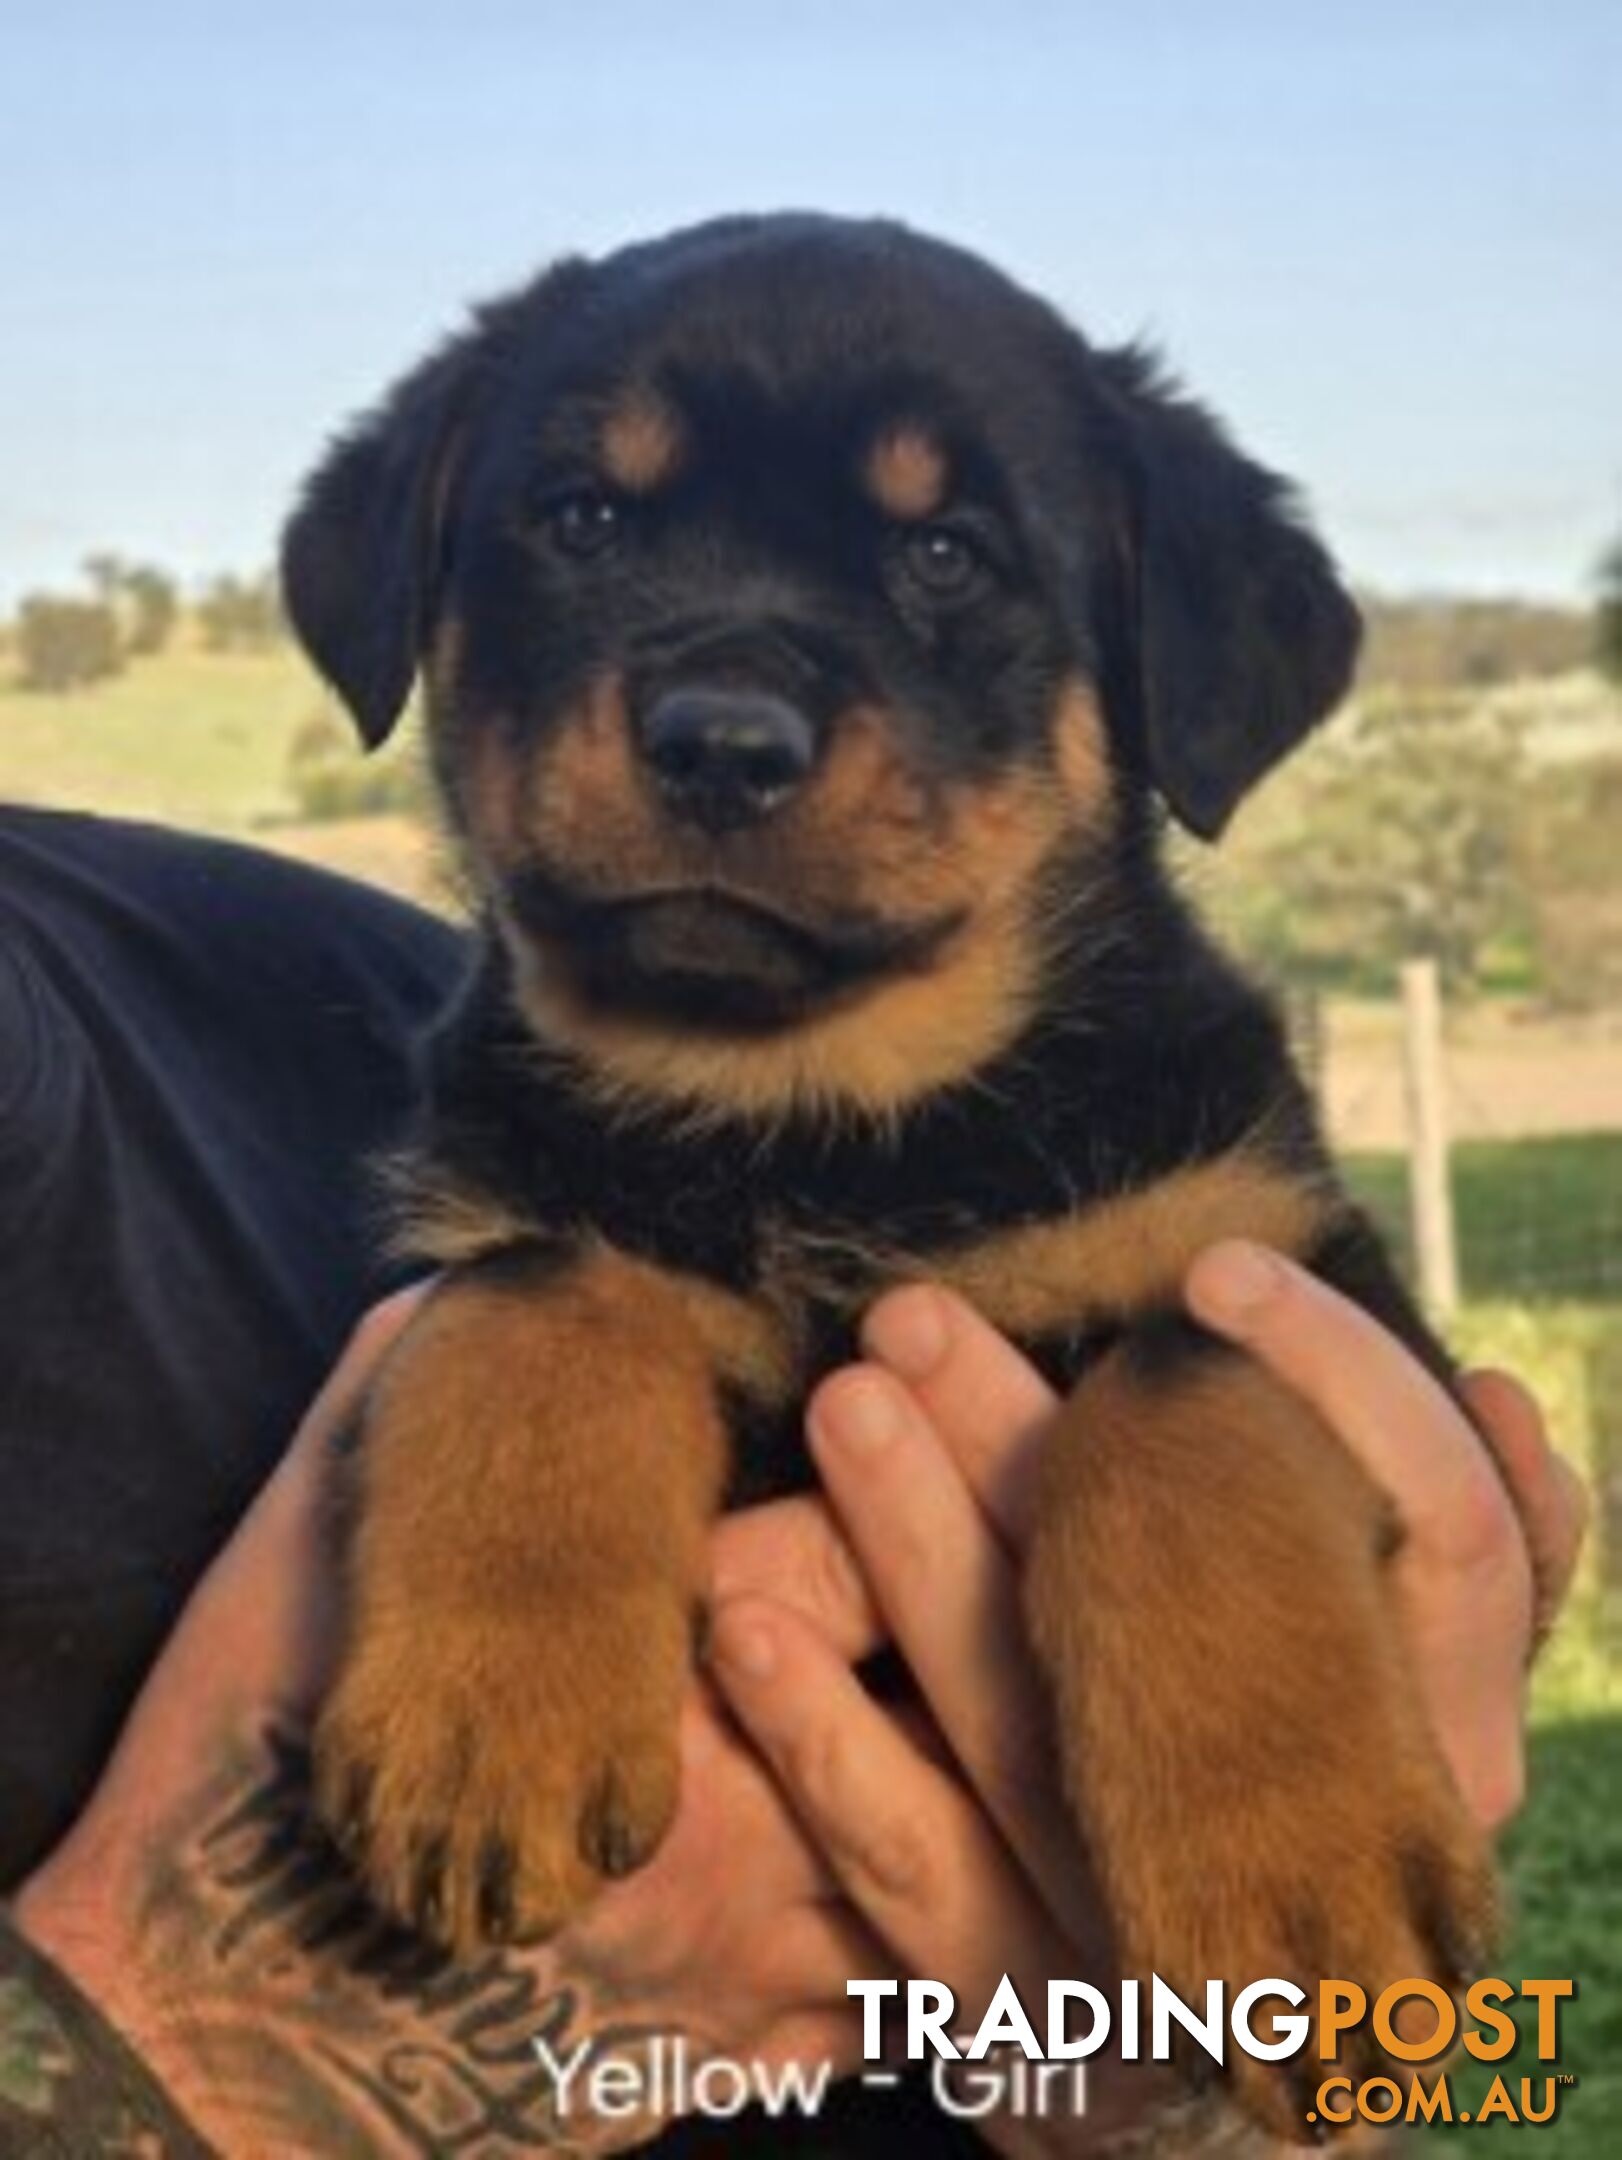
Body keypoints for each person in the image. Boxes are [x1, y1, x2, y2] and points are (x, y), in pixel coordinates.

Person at [0, 807, 1587, 2157]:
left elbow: (1289, 2070)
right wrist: (157, 2053)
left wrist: (1183, 2083)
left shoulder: (321, 982)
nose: (733, 709)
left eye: (950, 565)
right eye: (581, 525)